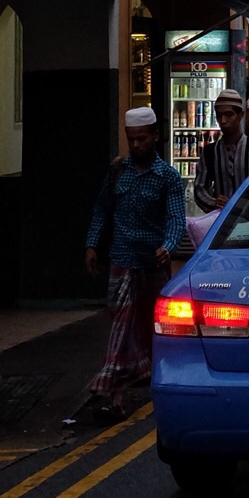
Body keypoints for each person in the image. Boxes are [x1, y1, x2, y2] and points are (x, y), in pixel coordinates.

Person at [84, 107, 185, 422]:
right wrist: (91, 244)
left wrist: (168, 247)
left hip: (153, 265)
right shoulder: (118, 172)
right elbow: (102, 210)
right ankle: (111, 391)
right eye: (132, 139)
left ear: (155, 136)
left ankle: (155, 381)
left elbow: (175, 219)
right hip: (122, 259)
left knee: (149, 328)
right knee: (121, 324)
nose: (137, 144)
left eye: (142, 138)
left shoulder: (167, 177)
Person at [193, 89, 249, 213]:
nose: (223, 121)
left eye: (228, 115)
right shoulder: (210, 152)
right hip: (222, 221)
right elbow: (199, 189)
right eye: (219, 115)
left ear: (240, 115)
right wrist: (214, 202)